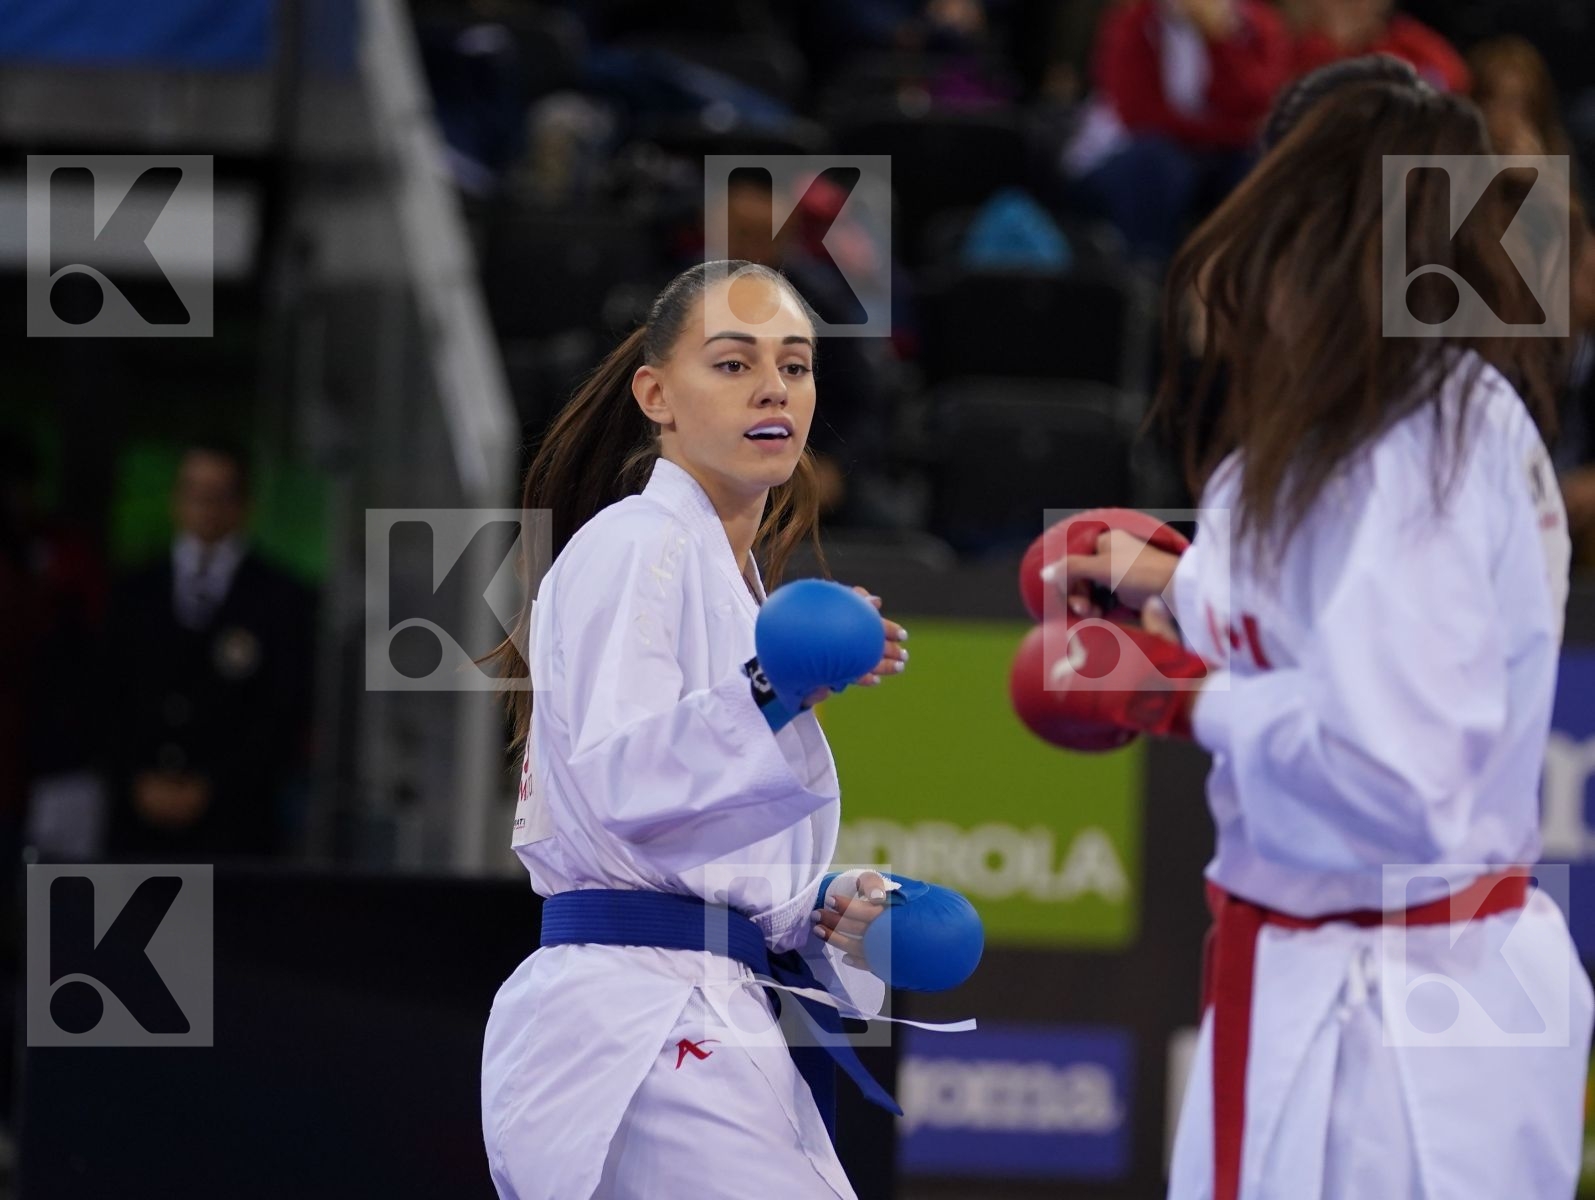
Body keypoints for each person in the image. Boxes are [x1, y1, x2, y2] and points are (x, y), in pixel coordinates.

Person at [1015, 65, 1592, 1197]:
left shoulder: (1399, 451)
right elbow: (1344, 639)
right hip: (1389, 991)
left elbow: (1394, 770)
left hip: (1387, 1038)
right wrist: (1178, 585)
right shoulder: (1429, 410)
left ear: (1313, 228)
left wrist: (1178, 697)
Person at [478, 261, 917, 1200]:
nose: (773, 388)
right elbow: (624, 782)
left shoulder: (729, 580)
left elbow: (694, 844)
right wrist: (773, 688)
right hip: (639, 1018)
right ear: (656, 396)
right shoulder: (634, 542)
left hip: (696, 1005)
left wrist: (821, 905)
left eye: (795, 366)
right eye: (732, 363)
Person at [105, 443, 315, 860]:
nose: (205, 507)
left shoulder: (281, 597)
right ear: (176, 499)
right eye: (194, 492)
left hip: (236, 828)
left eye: (218, 495)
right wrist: (136, 778)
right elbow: (106, 694)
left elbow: (284, 709)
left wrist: (213, 786)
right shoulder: (134, 590)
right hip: (138, 821)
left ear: (243, 505)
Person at [1065, 0, 1291, 262]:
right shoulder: (1136, 22)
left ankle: (1241, 273)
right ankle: (1148, 269)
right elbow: (1141, 117)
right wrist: (1238, 131)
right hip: (1123, 158)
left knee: (1258, 166)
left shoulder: (1257, 25)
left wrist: (1219, 41)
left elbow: (1258, 100)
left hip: (1214, 157)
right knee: (1159, 162)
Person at [1288, 0, 1468, 94]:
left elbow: (1454, 79)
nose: (1362, 5)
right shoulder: (1296, 44)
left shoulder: (1404, 40)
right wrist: (1334, 47)